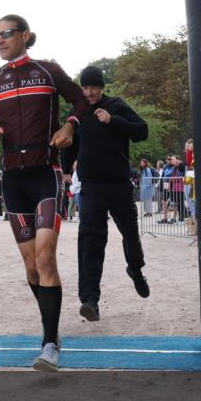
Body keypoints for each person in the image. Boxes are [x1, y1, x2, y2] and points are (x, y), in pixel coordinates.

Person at [0, 14, 87, 371]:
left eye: (6, 34)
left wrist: (70, 126)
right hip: (12, 179)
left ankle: (48, 346)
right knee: (30, 265)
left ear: (25, 35)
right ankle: (52, 332)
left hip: (46, 172)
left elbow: (81, 102)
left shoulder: (48, 70)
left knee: (45, 258)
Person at [60, 65, 150, 323]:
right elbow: (69, 141)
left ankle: (135, 269)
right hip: (91, 187)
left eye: (93, 88)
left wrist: (114, 121)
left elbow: (141, 131)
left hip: (119, 184)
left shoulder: (117, 105)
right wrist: (66, 169)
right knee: (90, 241)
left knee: (130, 234)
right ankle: (90, 300)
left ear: (101, 88)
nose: (88, 92)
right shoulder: (77, 112)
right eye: (85, 88)